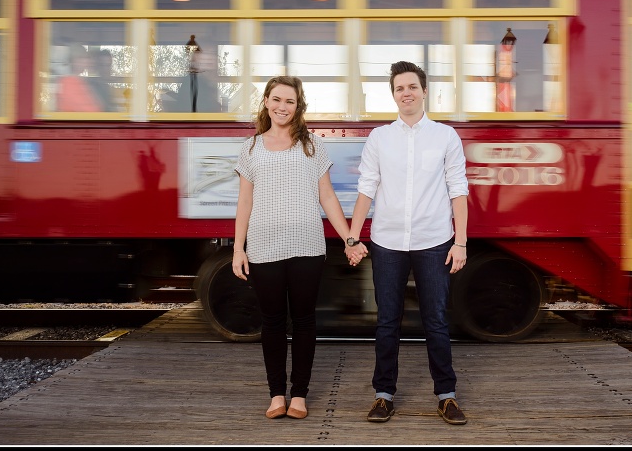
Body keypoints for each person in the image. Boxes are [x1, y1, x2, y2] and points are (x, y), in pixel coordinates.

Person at [345, 60, 469, 425]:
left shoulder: (446, 136)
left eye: (412, 86)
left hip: (434, 241)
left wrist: (459, 243)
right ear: (394, 95)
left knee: (436, 321)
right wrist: (353, 237)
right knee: (387, 322)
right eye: (399, 88)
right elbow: (366, 189)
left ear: (424, 90)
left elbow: (458, 191)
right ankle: (383, 395)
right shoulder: (380, 138)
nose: (406, 93)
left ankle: (446, 395)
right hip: (387, 243)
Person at [231, 75, 359, 420]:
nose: (282, 106)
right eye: (276, 99)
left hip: (307, 245)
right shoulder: (251, 147)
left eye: (289, 101)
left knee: (303, 321)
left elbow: (327, 197)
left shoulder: (313, 146)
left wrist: (349, 238)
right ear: (267, 102)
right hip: (262, 245)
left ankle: (299, 395)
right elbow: (245, 201)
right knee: (272, 322)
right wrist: (238, 249)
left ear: (298, 105)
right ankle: (276, 394)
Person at [170, 41, 222, 112]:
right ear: (196, 58)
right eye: (205, 53)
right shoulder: (192, 82)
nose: (210, 57)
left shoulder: (205, 82)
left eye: (212, 53)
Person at [56, 43, 107, 112]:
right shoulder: (68, 82)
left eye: (86, 58)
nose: (88, 61)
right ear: (74, 61)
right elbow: (89, 110)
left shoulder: (80, 80)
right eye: (82, 58)